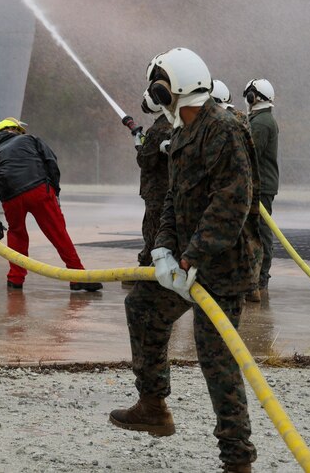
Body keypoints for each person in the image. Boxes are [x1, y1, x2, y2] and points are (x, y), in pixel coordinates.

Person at [110, 47, 261, 473]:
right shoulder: (181, 129)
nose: (154, 94)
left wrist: (191, 256)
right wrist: (162, 249)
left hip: (223, 267)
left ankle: (237, 459)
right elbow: (174, 199)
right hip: (187, 259)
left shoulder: (224, 128)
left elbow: (230, 204)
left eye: (157, 85)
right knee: (142, 307)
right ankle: (153, 405)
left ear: (170, 87)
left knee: (216, 359)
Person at [0, 118, 102, 292]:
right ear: (15, 129)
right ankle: (77, 276)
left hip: (10, 197)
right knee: (57, 232)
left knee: (16, 233)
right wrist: (54, 190)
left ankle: (15, 279)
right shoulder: (30, 139)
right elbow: (51, 161)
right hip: (38, 189)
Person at [125, 91, 172, 288]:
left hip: (155, 191)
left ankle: (146, 271)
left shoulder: (156, 130)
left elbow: (145, 160)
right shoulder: (171, 124)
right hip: (168, 190)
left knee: (152, 230)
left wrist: (138, 143)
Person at [244, 78, 278, 303]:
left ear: (253, 97)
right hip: (263, 184)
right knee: (258, 231)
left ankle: (259, 280)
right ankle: (257, 279)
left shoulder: (261, 123)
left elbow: (249, 153)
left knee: (260, 232)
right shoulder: (261, 119)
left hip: (260, 185)